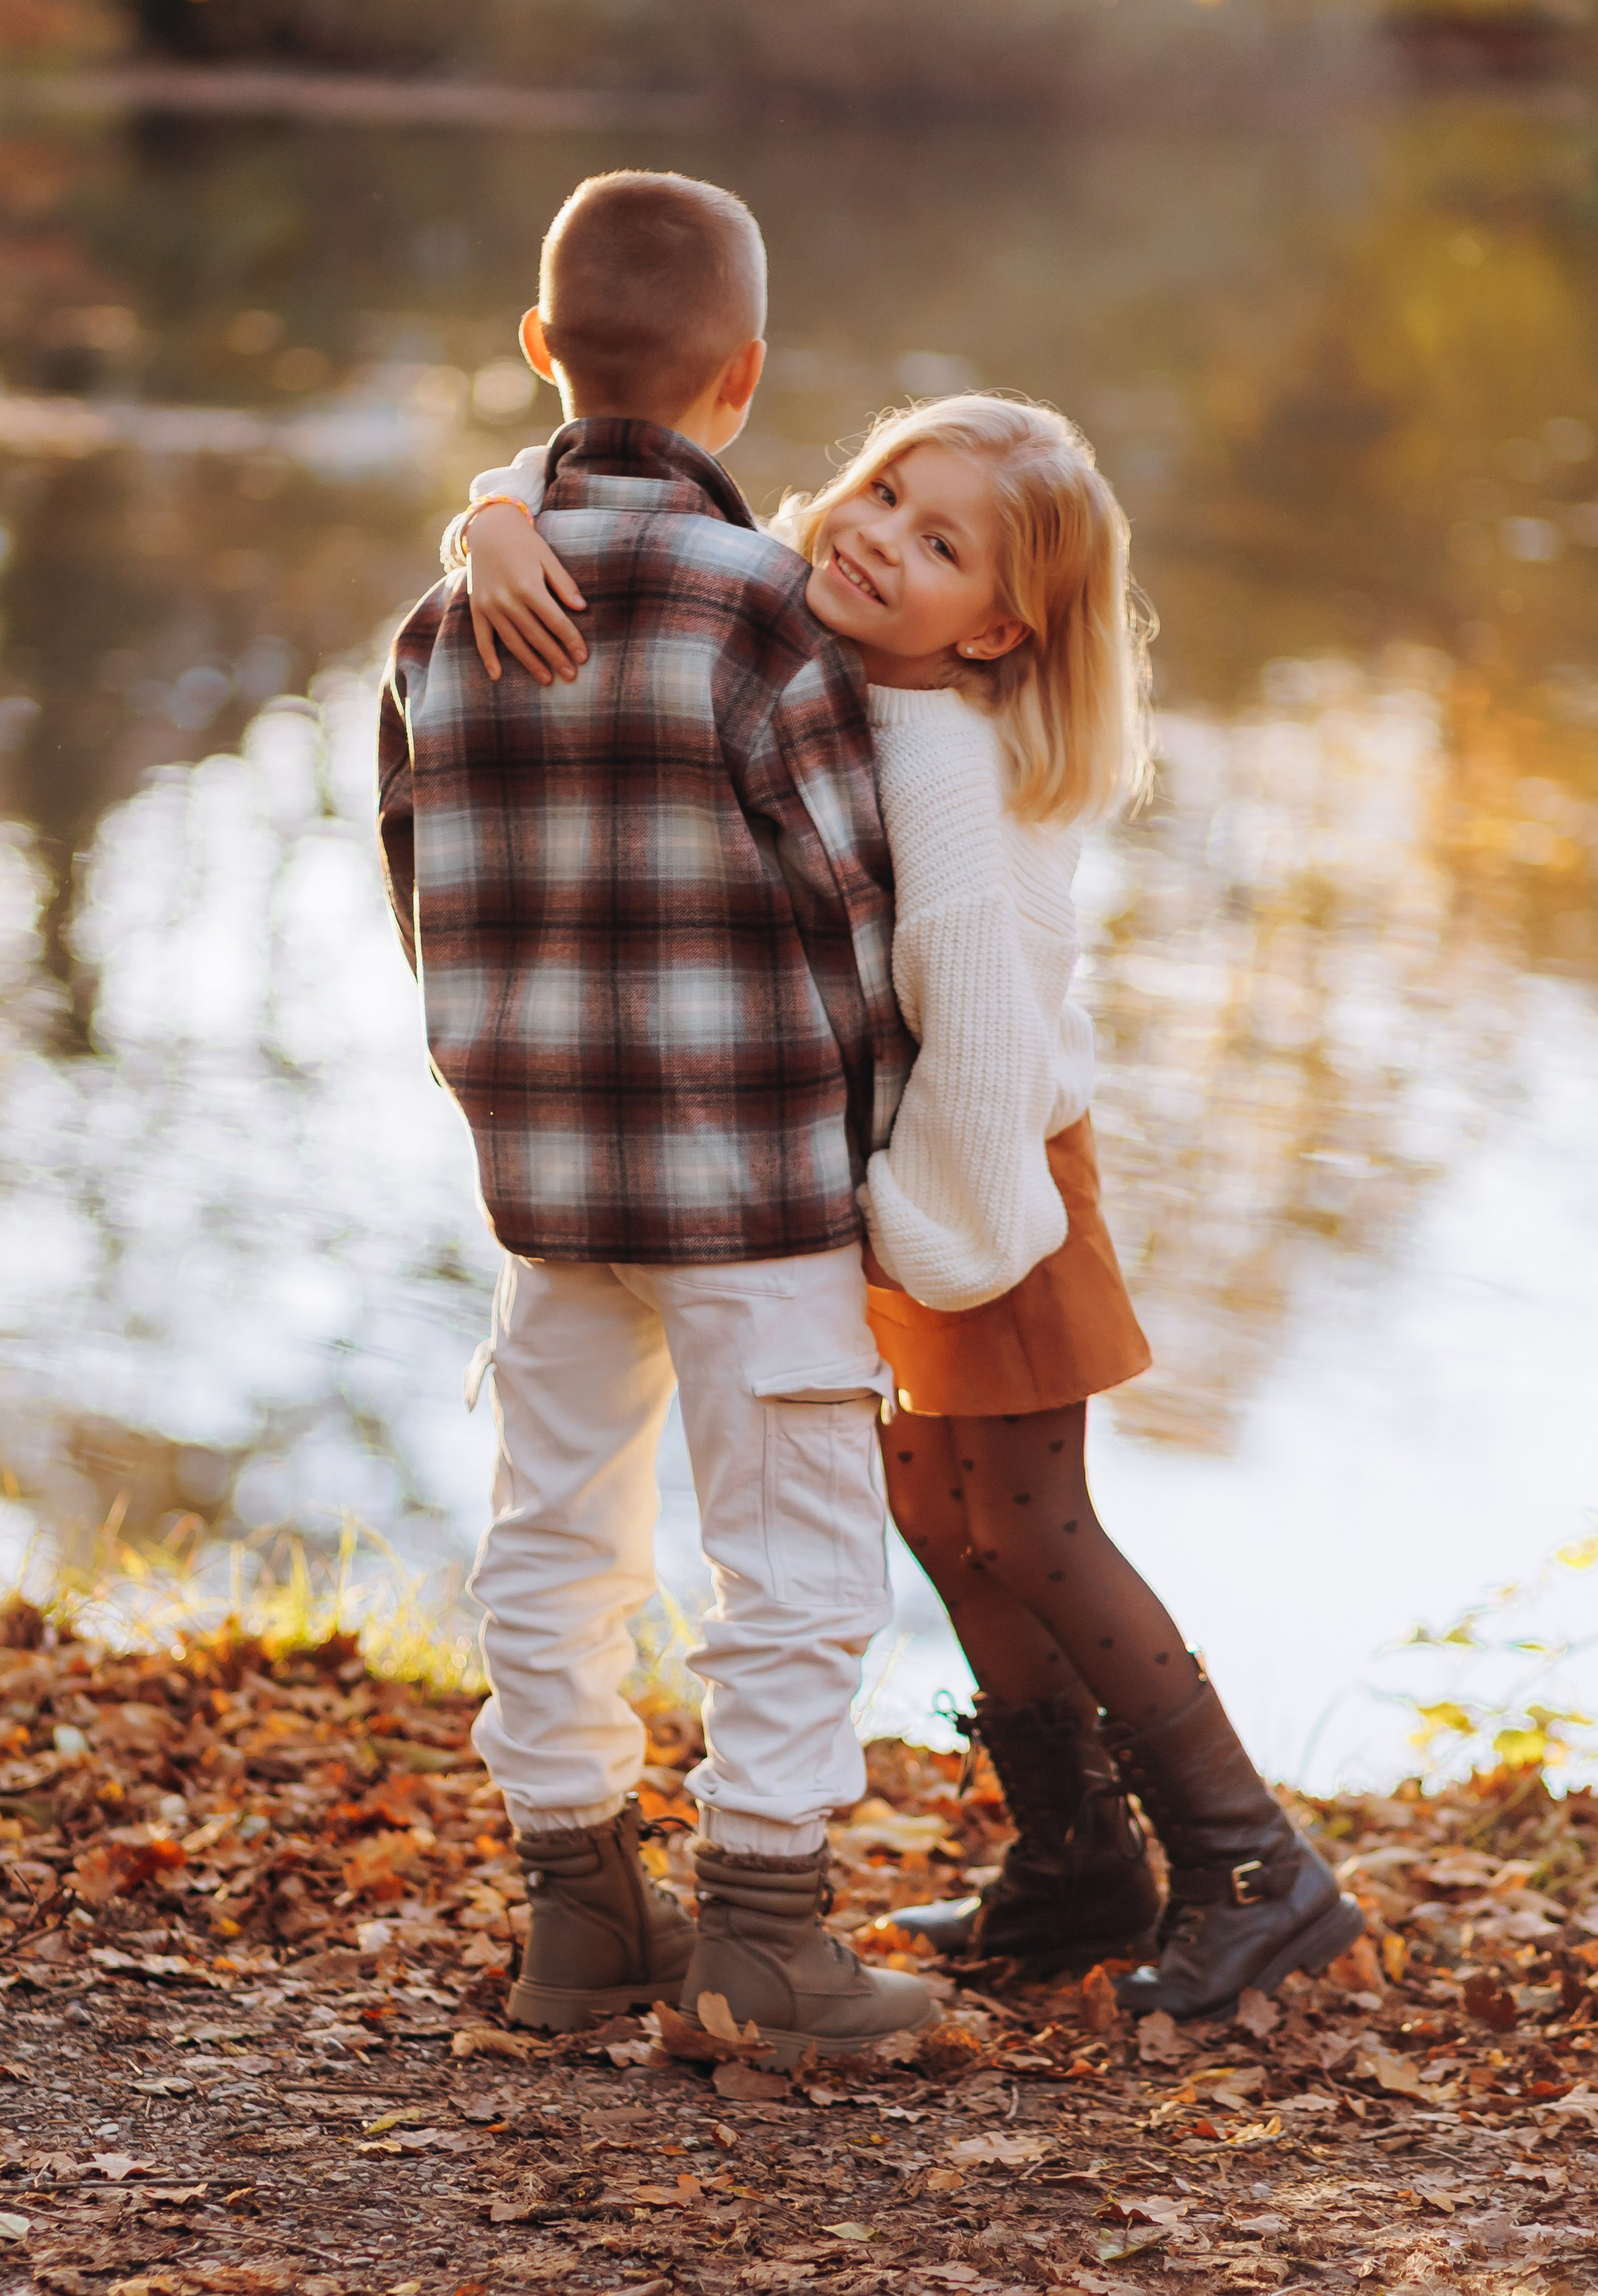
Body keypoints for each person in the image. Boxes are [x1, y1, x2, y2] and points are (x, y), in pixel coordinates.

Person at [457, 389, 1364, 2023]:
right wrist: (495, 518)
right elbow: (578, 458)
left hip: (987, 1179)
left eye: (937, 544)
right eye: (882, 492)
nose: (875, 537)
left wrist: (922, 1232)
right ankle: (1076, 1863)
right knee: (938, 1515)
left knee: (1031, 1524)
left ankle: (1251, 1865)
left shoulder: (939, 758)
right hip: (911, 1176)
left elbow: (987, 1028)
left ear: (997, 625)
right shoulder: (827, 665)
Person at [380, 169, 939, 2066]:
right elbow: (852, 907)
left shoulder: (440, 628)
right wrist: (872, 1139)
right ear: (747, 379)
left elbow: (417, 891)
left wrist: (512, 1077)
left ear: (539, 351)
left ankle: (579, 1917)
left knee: (554, 1534)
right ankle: (769, 1933)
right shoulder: (771, 615)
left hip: (547, 1177)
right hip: (754, 1180)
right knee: (789, 1549)